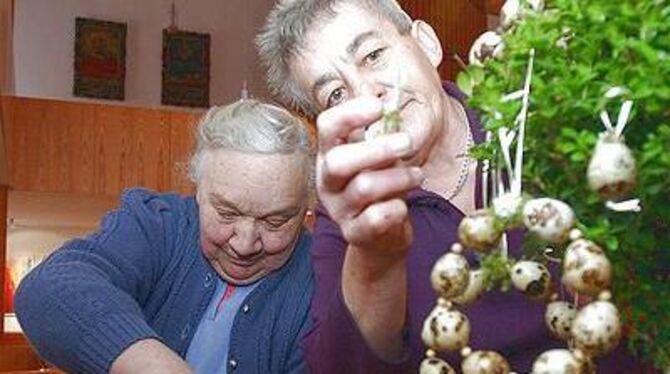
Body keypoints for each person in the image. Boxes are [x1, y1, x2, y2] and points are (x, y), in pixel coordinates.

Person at [257, 1, 650, 372]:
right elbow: (339, 366)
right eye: (336, 94)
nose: (368, 93)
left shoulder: (537, 118)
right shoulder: (350, 206)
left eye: (374, 55)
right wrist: (374, 259)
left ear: (426, 43)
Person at [14, 99, 315, 373]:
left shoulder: (326, 281)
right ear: (197, 191)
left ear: (306, 210)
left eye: (275, 221)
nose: (244, 244)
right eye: (226, 213)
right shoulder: (159, 225)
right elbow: (48, 290)